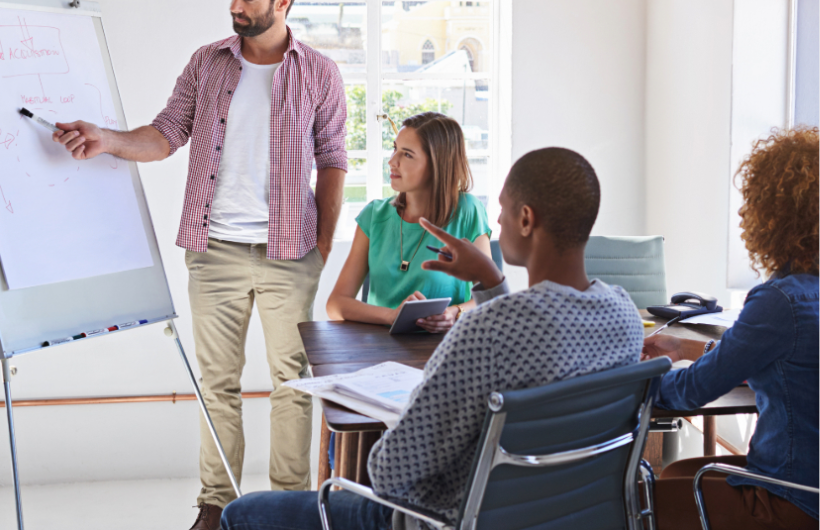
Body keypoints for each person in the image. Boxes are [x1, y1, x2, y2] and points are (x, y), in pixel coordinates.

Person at [51, 0, 347, 530]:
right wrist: (106, 139)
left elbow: (334, 158)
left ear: (281, 2)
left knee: (293, 384)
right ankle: (217, 506)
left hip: (292, 253)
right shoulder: (208, 63)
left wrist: (324, 245)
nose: (235, 5)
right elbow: (165, 135)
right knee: (218, 385)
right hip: (213, 251)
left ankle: (289, 509)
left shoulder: (319, 72)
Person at [220, 147, 644, 530]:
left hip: (441, 519)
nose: (496, 222)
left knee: (240, 514)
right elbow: (541, 337)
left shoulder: (485, 332)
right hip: (562, 515)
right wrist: (489, 280)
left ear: (526, 219)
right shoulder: (623, 315)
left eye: (503, 210)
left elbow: (390, 473)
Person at [642, 127, 819, 530]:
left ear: (773, 215)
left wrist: (627, 383)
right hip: (811, 487)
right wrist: (685, 350)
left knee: (638, 497)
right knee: (675, 473)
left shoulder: (780, 302)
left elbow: (689, 393)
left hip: (791, 501)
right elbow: (779, 365)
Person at [326, 112, 492, 333]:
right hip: (382, 350)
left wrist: (455, 313)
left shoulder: (468, 211)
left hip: (448, 348)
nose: (392, 161)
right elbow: (336, 304)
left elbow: (490, 297)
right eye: (395, 149)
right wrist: (392, 315)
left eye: (407, 154)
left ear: (437, 165)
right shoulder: (374, 215)